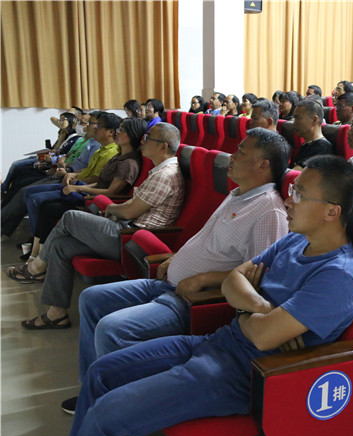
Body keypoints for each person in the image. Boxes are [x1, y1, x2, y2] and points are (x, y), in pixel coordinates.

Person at [62, 155, 353, 436]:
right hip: (217, 343)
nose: (289, 201)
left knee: (107, 415)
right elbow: (234, 279)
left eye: (300, 195)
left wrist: (244, 307)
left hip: (243, 374)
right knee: (100, 373)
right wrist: (261, 306)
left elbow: (262, 337)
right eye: (292, 191)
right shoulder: (294, 241)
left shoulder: (339, 276)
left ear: (332, 211)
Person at [60, 127, 291, 414]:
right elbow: (208, 242)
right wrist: (177, 257)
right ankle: (93, 389)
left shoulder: (269, 211)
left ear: (262, 165)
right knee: (91, 298)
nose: (232, 156)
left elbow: (257, 278)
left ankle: (114, 407)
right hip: (168, 281)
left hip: (192, 300)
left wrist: (202, 279)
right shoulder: (238, 195)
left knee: (112, 328)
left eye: (241, 152)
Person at [11, 123, 186, 329]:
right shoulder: (159, 171)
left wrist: (111, 208)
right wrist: (117, 210)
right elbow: (131, 206)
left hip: (133, 239)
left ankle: (37, 267)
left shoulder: (165, 175)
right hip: (126, 229)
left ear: (163, 146)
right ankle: (56, 314)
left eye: (149, 139)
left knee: (70, 217)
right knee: (60, 246)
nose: (143, 142)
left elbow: (129, 212)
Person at [27, 118, 148, 262]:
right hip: (90, 195)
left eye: (121, 130)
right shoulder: (119, 156)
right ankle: (36, 254)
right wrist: (77, 186)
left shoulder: (128, 163)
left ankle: (39, 258)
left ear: (132, 135)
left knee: (49, 208)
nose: (117, 133)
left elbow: (111, 192)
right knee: (45, 205)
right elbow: (100, 181)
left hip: (97, 205)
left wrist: (79, 188)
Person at [1, 112, 101, 238]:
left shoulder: (98, 147)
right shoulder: (85, 141)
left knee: (28, 192)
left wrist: (68, 173)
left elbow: (93, 175)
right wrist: (63, 165)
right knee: (22, 180)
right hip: (65, 173)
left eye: (86, 123)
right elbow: (68, 156)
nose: (82, 126)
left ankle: (33, 239)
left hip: (73, 181)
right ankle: (5, 223)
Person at [290, 100, 334, 169]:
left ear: (315, 120)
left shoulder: (322, 147)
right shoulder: (306, 144)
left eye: (298, 118)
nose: (294, 123)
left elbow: (296, 173)